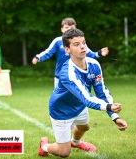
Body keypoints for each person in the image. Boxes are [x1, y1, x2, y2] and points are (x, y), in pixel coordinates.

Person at [38, 28, 127, 157]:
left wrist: (115, 117)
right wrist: (108, 107)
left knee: (84, 127)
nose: (82, 47)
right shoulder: (67, 72)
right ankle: (44, 146)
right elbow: (86, 97)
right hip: (61, 110)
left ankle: (75, 142)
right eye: (76, 44)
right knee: (64, 153)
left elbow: (101, 92)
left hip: (79, 106)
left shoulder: (94, 64)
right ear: (67, 49)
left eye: (83, 43)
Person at [32, 17, 109, 87]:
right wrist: (38, 57)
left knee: (78, 97)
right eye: (66, 27)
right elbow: (48, 52)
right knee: (60, 99)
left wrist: (99, 53)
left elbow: (89, 54)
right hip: (60, 75)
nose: (69, 29)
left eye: (71, 27)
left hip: (77, 74)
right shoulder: (57, 41)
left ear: (75, 29)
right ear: (62, 29)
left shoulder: (79, 41)